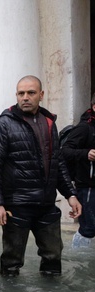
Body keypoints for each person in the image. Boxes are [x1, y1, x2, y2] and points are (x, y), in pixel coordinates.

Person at [0, 75, 81, 277]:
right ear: (16, 96)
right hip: (16, 206)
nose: (25, 97)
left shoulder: (49, 122)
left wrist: (71, 194)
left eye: (31, 92)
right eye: (21, 93)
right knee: (11, 262)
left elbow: (58, 162)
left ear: (41, 95)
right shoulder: (4, 124)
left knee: (53, 258)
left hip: (46, 205)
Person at [62, 93, 95, 248]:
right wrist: (86, 153)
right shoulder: (84, 128)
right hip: (88, 186)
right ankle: (78, 260)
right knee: (88, 227)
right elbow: (64, 151)